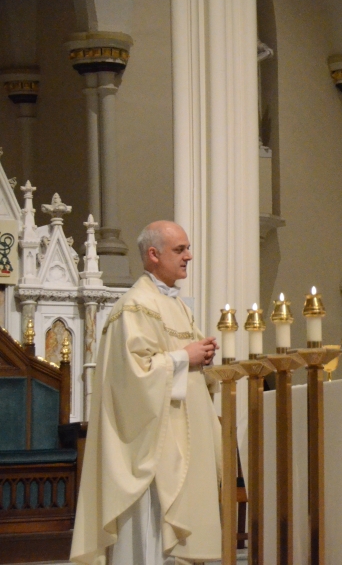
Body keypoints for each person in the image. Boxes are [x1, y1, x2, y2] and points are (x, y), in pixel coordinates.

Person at [71, 221, 222, 565]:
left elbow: (179, 362)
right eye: (180, 249)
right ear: (153, 255)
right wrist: (186, 356)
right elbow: (132, 377)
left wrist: (202, 357)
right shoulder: (134, 306)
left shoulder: (179, 307)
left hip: (182, 440)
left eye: (187, 248)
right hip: (152, 448)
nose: (189, 256)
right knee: (150, 540)